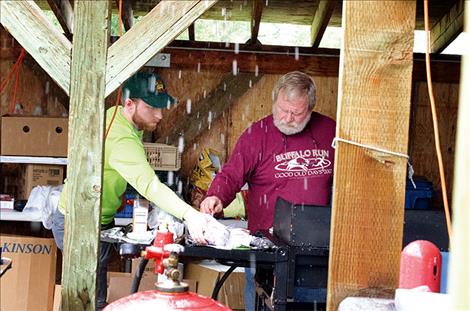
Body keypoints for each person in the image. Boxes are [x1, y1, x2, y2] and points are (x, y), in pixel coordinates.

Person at [51, 72, 211, 310]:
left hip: (90, 219)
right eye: (151, 107)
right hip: (79, 224)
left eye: (161, 107)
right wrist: (191, 215)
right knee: (88, 302)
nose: (159, 114)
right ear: (129, 103)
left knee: (93, 298)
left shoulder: (113, 116)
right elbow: (149, 186)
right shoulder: (122, 139)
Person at [199, 71, 336, 309]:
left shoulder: (330, 132)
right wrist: (216, 195)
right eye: (283, 109)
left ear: (311, 108)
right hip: (267, 250)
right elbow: (232, 172)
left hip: (319, 251)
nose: (288, 118)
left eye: (297, 113)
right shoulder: (257, 135)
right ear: (274, 101)